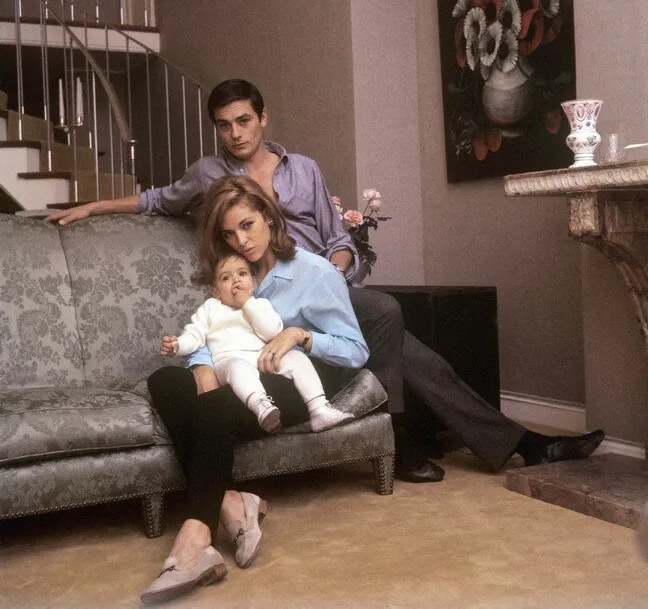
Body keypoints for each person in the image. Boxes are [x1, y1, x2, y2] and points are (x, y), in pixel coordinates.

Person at [46, 77, 605, 482]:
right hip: (274, 300)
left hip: (322, 285)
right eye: (223, 125)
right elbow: (155, 200)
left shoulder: (304, 168)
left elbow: (338, 239)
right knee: (389, 317)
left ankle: (474, 442)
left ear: (264, 119)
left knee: (403, 340)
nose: (235, 133)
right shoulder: (210, 174)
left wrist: (333, 276)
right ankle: (443, 441)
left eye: (244, 121)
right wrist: (91, 207)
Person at [140, 176, 369, 604]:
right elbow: (214, 329)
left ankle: (196, 538)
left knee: (211, 410)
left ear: (269, 216)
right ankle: (231, 502)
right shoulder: (235, 273)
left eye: (247, 225)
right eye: (229, 233)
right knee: (164, 380)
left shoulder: (315, 273)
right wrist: (202, 367)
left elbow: (356, 350)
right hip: (247, 370)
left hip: (301, 376)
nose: (241, 241)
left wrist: (300, 335)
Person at [161, 251, 355, 433]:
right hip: (227, 362)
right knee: (238, 368)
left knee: (296, 357)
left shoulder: (260, 305)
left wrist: (248, 303)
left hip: (261, 358)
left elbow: (272, 332)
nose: (236, 280)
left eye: (242, 274)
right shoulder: (210, 308)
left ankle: (319, 408)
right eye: (226, 278)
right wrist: (178, 345)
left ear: (253, 283)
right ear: (216, 292)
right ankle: (261, 406)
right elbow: (194, 335)